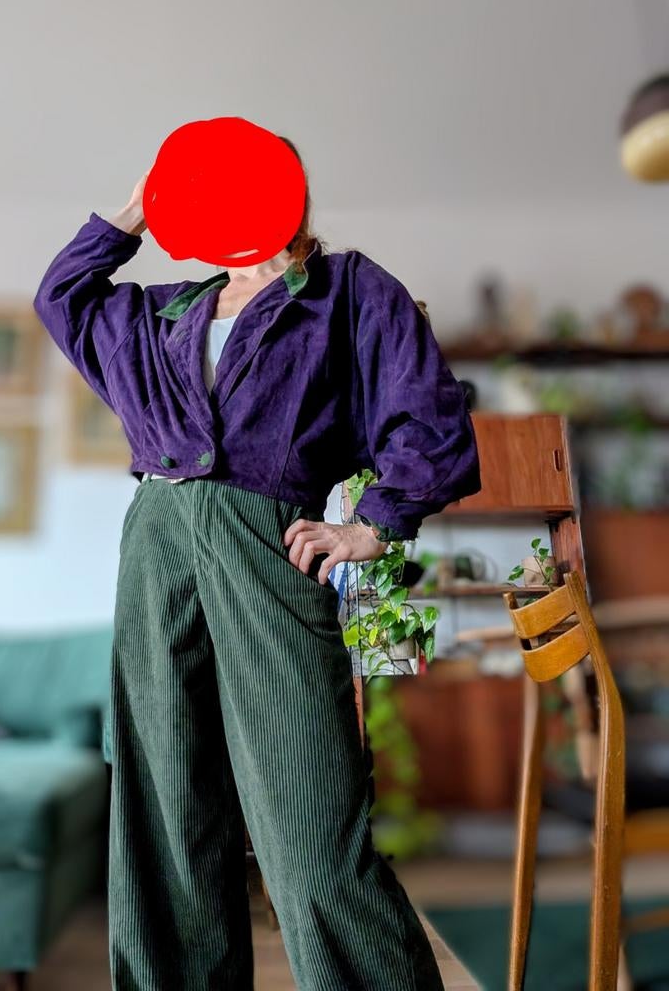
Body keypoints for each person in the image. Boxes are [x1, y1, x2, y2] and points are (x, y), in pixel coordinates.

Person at [33, 133, 481, 991]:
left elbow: (429, 416)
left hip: (267, 536)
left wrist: (374, 525)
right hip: (157, 542)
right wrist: (140, 209)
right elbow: (63, 296)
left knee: (310, 826)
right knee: (165, 816)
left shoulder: (347, 291)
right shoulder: (170, 308)